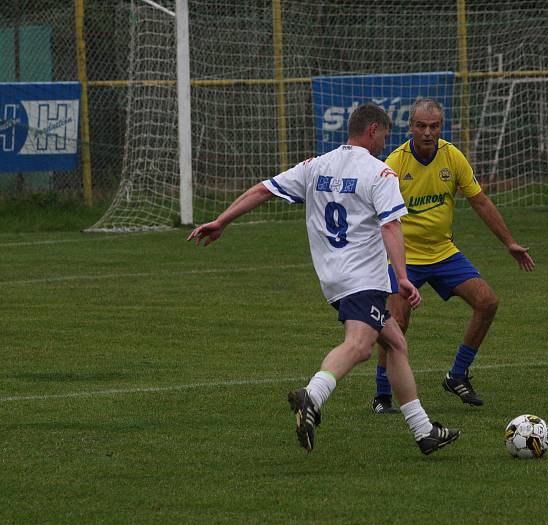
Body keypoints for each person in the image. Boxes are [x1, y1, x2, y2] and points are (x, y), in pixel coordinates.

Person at [187, 102, 460, 455]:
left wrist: (222, 220)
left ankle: (424, 431)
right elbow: (391, 225)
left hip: (332, 278)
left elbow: (263, 190)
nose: (384, 145)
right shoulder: (380, 174)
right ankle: (312, 396)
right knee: (360, 345)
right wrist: (404, 278)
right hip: (364, 278)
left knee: (395, 343)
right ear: (374, 130)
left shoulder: (315, 166)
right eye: (384, 137)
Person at [371, 98, 535, 414]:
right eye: (421, 126)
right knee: (396, 323)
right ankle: (382, 395)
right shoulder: (395, 163)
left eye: (434, 127)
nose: (428, 133)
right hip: (404, 258)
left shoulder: (452, 157)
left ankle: (457, 374)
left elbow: (481, 202)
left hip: (444, 253)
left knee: (488, 302)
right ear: (411, 127)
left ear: (441, 128)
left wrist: (509, 242)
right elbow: (378, 216)